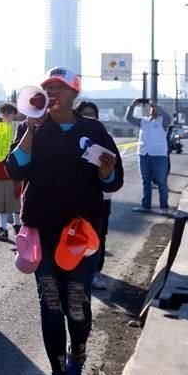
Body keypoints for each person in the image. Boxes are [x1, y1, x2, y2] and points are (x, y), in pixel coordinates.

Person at [6, 67, 123, 375]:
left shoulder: (93, 129)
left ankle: (78, 354)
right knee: (51, 305)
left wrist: (106, 169)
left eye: (59, 87)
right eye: (47, 88)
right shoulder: (34, 128)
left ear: (74, 93)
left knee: (76, 303)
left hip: (80, 235)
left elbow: (112, 181)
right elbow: (15, 168)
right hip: (43, 231)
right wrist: (29, 128)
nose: (52, 92)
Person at [77, 100, 111, 291]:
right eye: (85, 114)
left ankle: (95, 271)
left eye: (92, 114)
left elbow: (114, 172)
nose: (89, 118)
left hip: (102, 198)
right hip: (77, 197)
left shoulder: (103, 136)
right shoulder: (71, 139)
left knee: (98, 236)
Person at [125, 99, 172, 215]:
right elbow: (128, 118)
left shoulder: (162, 121)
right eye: (152, 108)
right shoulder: (143, 121)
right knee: (146, 181)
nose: (153, 109)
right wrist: (133, 105)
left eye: (155, 108)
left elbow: (168, 117)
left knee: (161, 181)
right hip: (143, 154)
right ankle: (146, 205)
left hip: (159, 156)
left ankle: (164, 207)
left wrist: (157, 105)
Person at [0, 103, 21, 241]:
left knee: (16, 199)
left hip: (15, 168)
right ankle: (3, 228)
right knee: (1, 200)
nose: (6, 114)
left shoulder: (20, 128)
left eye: (9, 112)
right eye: (4, 112)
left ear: (14, 114)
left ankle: (18, 226)